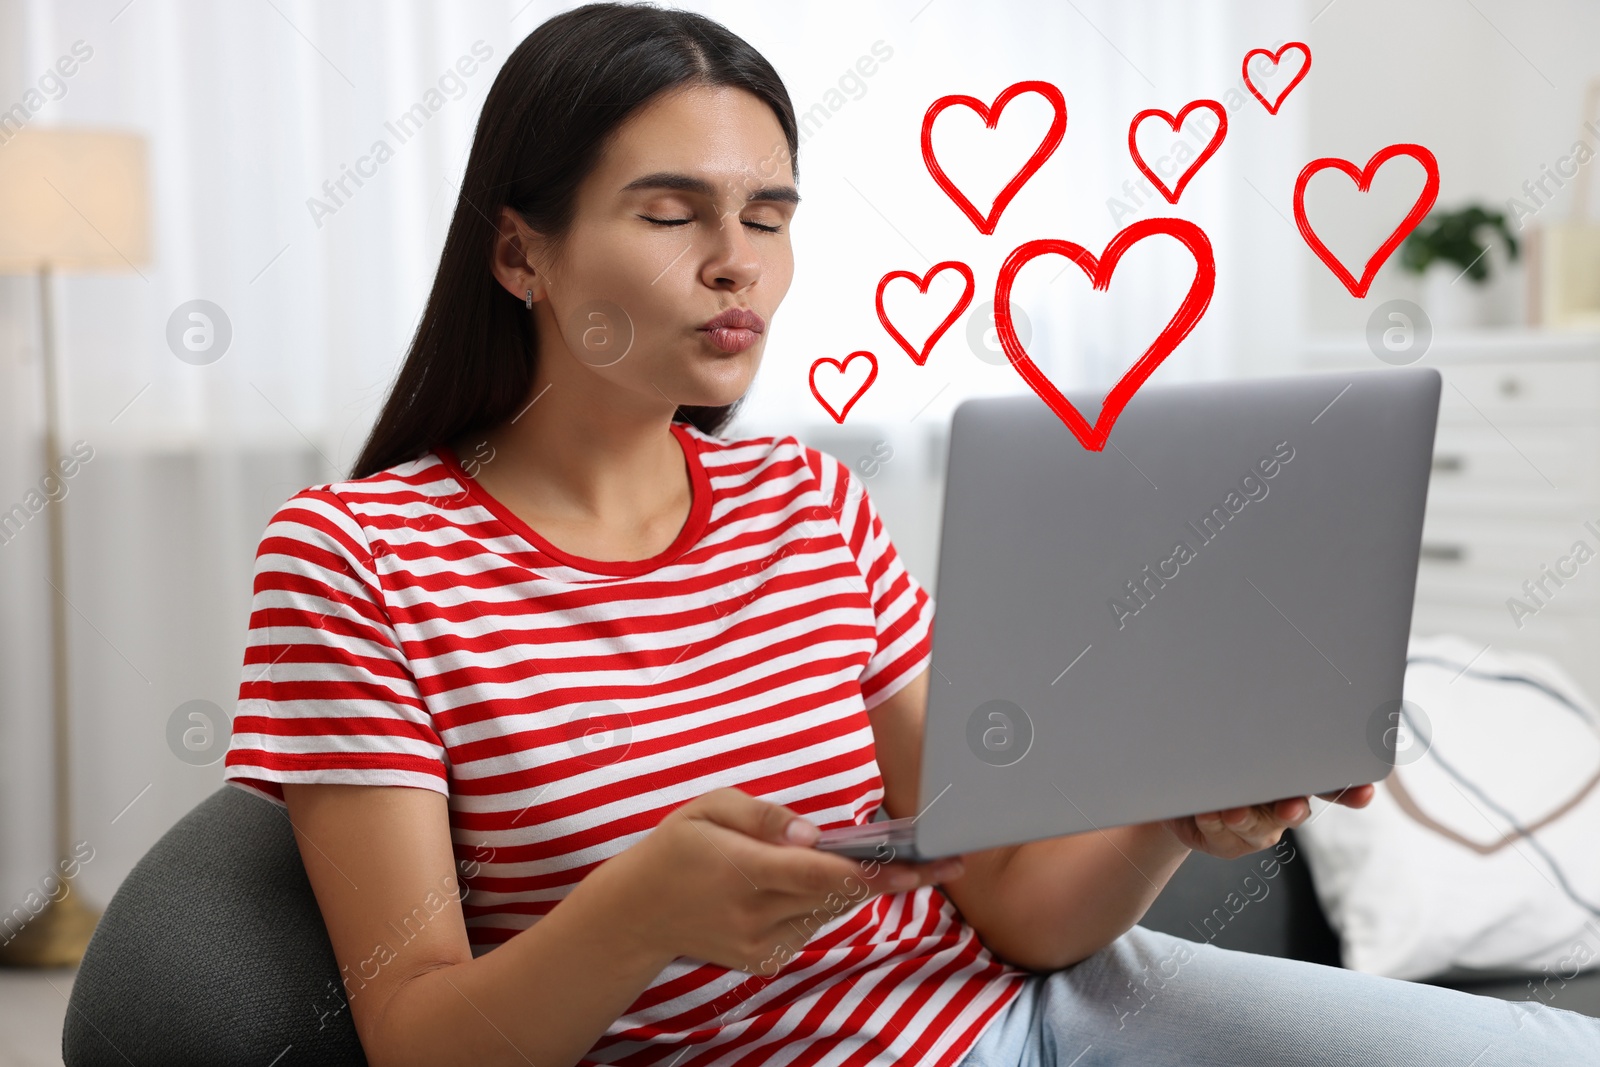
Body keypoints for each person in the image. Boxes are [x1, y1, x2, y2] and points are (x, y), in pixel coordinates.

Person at [222, 4, 1600, 1065]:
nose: (737, 262)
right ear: (520, 254)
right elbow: (417, 1037)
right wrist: (637, 913)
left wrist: (1175, 814)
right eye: (671, 213)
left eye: (769, 216)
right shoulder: (357, 558)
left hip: (1051, 1015)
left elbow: (1010, 905)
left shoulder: (810, 505)